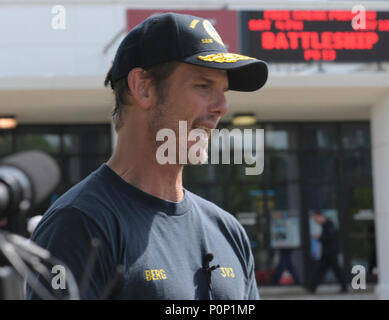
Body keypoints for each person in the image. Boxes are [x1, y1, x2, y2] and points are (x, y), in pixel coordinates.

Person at [26, 12, 268, 300]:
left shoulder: (227, 230)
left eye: (223, 91)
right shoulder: (79, 224)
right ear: (143, 87)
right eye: (203, 86)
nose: (222, 107)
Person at [308, 211, 347, 293]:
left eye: (315, 219)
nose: (315, 221)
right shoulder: (325, 225)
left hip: (331, 252)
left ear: (320, 217)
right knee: (322, 270)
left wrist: (319, 237)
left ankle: (344, 287)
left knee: (334, 270)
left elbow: (329, 237)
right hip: (327, 252)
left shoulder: (329, 224)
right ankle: (312, 288)